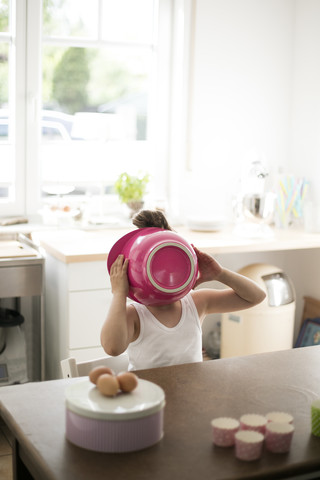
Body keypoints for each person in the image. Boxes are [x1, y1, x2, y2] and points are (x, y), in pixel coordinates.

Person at [100, 210, 266, 370]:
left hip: (189, 392)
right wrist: (119, 294)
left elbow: (256, 297)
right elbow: (112, 348)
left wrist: (220, 274)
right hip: (148, 396)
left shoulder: (197, 303)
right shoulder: (135, 314)